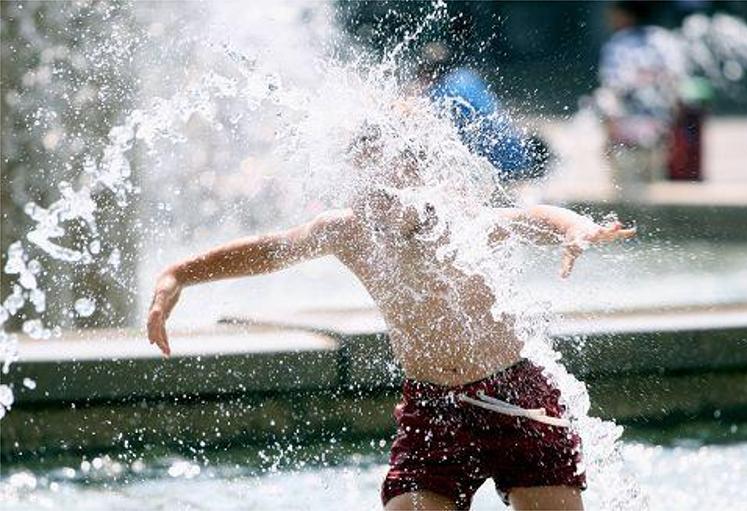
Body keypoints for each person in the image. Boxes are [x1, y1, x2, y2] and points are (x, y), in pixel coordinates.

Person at [146, 120, 635, 510]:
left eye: (386, 179)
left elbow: (532, 217)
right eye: (363, 181)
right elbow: (270, 251)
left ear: (416, 177)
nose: (374, 194)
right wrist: (180, 275)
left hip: (515, 396)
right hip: (433, 406)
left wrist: (577, 229)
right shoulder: (349, 231)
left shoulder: (457, 224)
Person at [414, 42, 551, 186]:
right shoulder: (467, 76)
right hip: (524, 152)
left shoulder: (439, 95)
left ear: (425, 71)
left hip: (500, 169)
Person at [596, 0, 680, 200]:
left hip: (624, 133)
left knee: (623, 195)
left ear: (627, 15)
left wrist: (608, 135)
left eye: (614, 13)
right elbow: (675, 85)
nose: (610, 19)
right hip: (657, 130)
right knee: (653, 194)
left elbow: (611, 90)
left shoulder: (618, 44)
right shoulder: (664, 40)